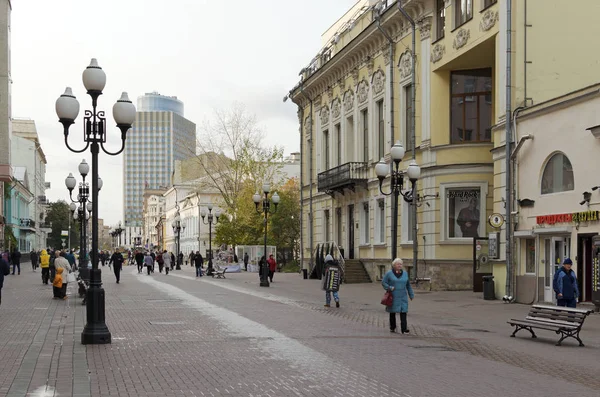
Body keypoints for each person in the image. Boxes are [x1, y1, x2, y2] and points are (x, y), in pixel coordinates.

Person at [382, 258, 414, 334]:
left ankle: (404, 329)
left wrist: (411, 294)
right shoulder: (389, 273)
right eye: (398, 264)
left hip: (403, 296)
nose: (400, 265)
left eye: (401, 264)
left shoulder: (405, 273)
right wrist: (389, 287)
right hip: (393, 295)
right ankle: (392, 327)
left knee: (403, 311)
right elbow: (384, 282)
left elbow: (408, 285)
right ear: (394, 265)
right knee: (392, 311)